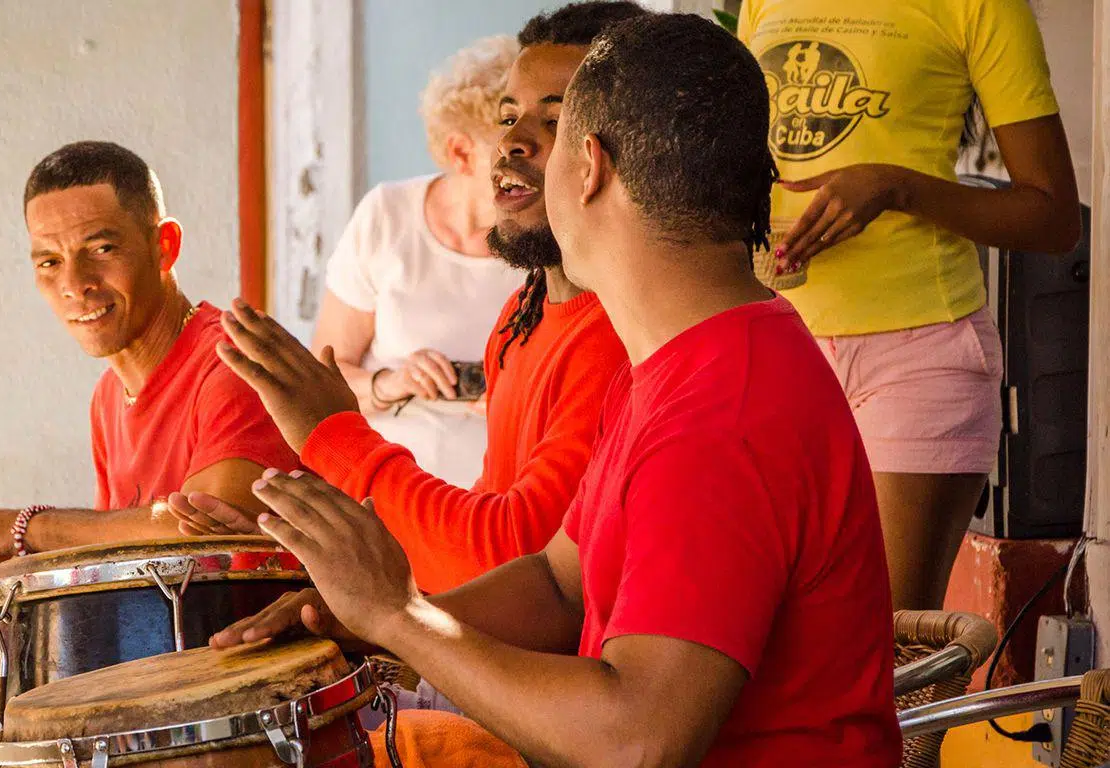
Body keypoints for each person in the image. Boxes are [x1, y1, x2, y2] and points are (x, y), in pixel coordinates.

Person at [205, 12, 900, 766]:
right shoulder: (682, 357)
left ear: (588, 166)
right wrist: (369, 621)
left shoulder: (717, 415)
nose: (514, 148)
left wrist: (399, 617)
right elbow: (559, 585)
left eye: (554, 129)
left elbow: (638, 742)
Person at [0, 141, 300, 768]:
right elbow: (116, 555)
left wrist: (25, 531)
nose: (75, 284)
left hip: (231, 691)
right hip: (139, 671)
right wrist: (10, 561)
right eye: (49, 261)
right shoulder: (108, 397)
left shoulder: (230, 365)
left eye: (102, 249)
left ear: (165, 246)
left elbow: (207, 528)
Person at [171, 1, 642, 599]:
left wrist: (332, 433)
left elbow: (514, 561)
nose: (512, 142)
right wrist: (312, 553)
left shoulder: (620, 332)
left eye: (554, 121)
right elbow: (487, 554)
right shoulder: (520, 317)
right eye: (507, 117)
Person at [738, 0, 1081, 609]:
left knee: (884, 633)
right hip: (777, 346)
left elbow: (1053, 217)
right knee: (760, 617)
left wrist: (897, 187)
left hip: (917, 352)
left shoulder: (979, 6)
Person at [312, 35, 523, 488]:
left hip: (503, 496)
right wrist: (391, 382)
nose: (530, 163)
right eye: (511, 148)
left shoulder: (547, 238)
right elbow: (322, 382)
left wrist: (521, 403)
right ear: (461, 153)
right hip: (385, 489)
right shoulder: (387, 215)